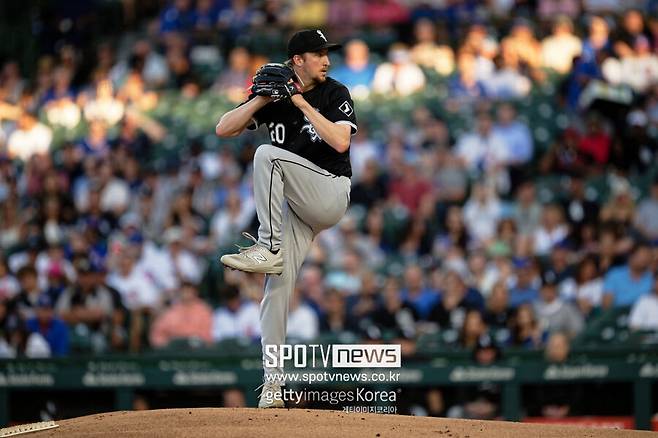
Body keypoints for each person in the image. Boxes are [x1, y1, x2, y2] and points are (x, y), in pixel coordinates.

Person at [215, 29, 356, 408]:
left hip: (329, 191)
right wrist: (260, 100)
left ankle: (268, 246)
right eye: (318, 53)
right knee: (275, 291)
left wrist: (302, 104)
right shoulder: (275, 97)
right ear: (298, 60)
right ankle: (273, 387)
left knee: (266, 155)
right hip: (296, 208)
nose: (326, 59)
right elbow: (223, 128)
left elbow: (341, 143)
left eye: (327, 53)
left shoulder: (334, 93)